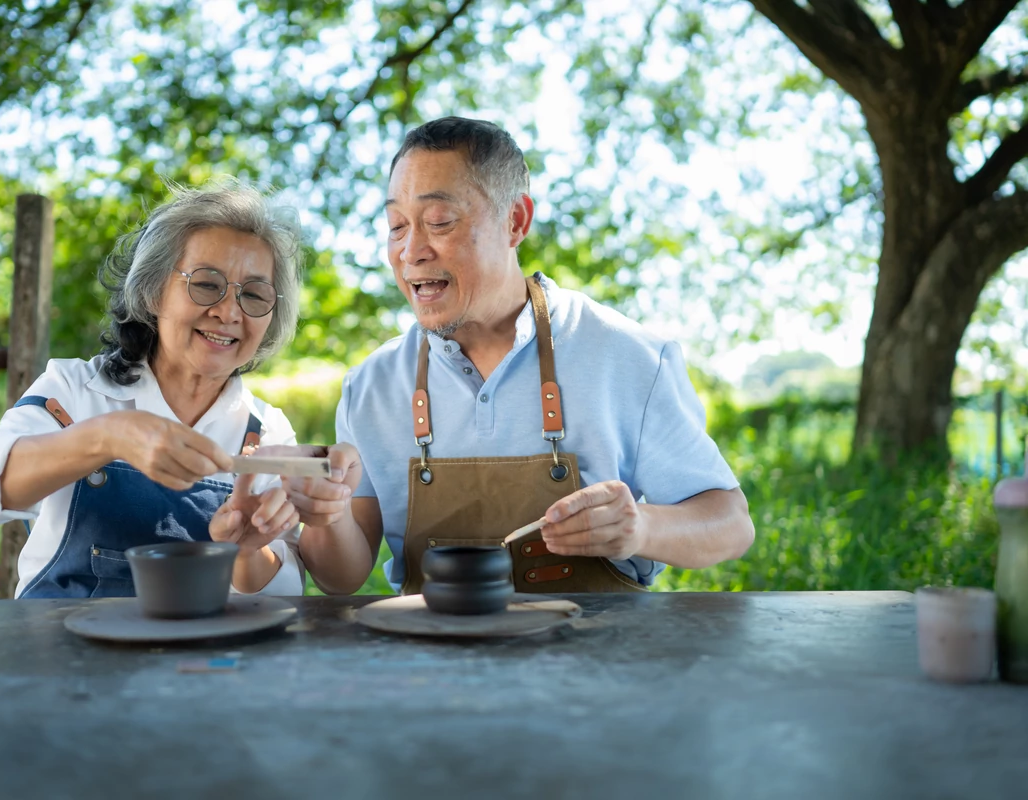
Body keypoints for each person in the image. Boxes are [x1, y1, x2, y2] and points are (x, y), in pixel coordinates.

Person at [287, 116, 755, 595]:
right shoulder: (371, 386)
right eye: (396, 227)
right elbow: (340, 577)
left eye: (439, 222)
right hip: (432, 664)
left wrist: (642, 528)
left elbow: (730, 523)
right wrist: (325, 512)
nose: (411, 251)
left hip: (595, 659)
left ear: (515, 221)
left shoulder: (628, 356)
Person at [0, 181, 306, 597]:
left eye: (255, 295)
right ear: (153, 292)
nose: (228, 312)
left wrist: (247, 551)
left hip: (198, 659)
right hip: (60, 650)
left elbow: (284, 594)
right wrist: (106, 437)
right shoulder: (75, 390)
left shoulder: (265, 433)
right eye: (207, 284)